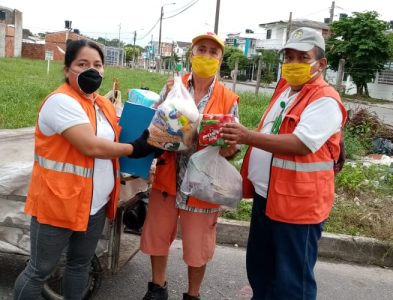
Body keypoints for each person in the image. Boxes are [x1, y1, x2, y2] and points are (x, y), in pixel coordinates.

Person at [13, 39, 159, 300]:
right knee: (39, 271)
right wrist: (136, 148)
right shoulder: (60, 102)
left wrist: (154, 142)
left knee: (79, 265)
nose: (92, 70)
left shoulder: (101, 104)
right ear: (68, 69)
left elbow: (120, 136)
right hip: (58, 204)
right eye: (82, 64)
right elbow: (91, 146)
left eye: (97, 64)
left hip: (95, 204)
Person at [221, 27, 347, 300]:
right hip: (267, 197)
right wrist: (239, 142)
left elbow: (301, 144)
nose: (293, 64)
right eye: (288, 57)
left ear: (321, 64)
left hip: (298, 206)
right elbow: (269, 133)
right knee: (261, 271)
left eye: (303, 57)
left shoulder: (324, 99)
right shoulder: (286, 92)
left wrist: (246, 135)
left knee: (292, 282)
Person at [140, 32, 240, 300]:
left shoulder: (229, 98)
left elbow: (232, 146)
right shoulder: (173, 87)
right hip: (167, 177)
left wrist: (230, 149)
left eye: (213, 52)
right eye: (201, 50)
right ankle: (157, 287)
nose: (206, 56)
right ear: (191, 54)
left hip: (202, 183)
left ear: (220, 59)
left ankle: (193, 295)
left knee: (198, 246)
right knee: (158, 236)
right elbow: (153, 125)